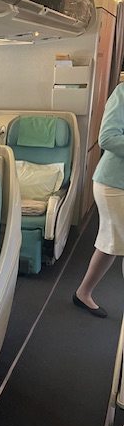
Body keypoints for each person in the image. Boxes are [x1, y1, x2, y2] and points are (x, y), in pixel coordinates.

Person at [73, 82, 124, 318]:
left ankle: (83, 293)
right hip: (115, 184)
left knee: (109, 244)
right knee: (113, 242)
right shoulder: (123, 92)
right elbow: (107, 138)